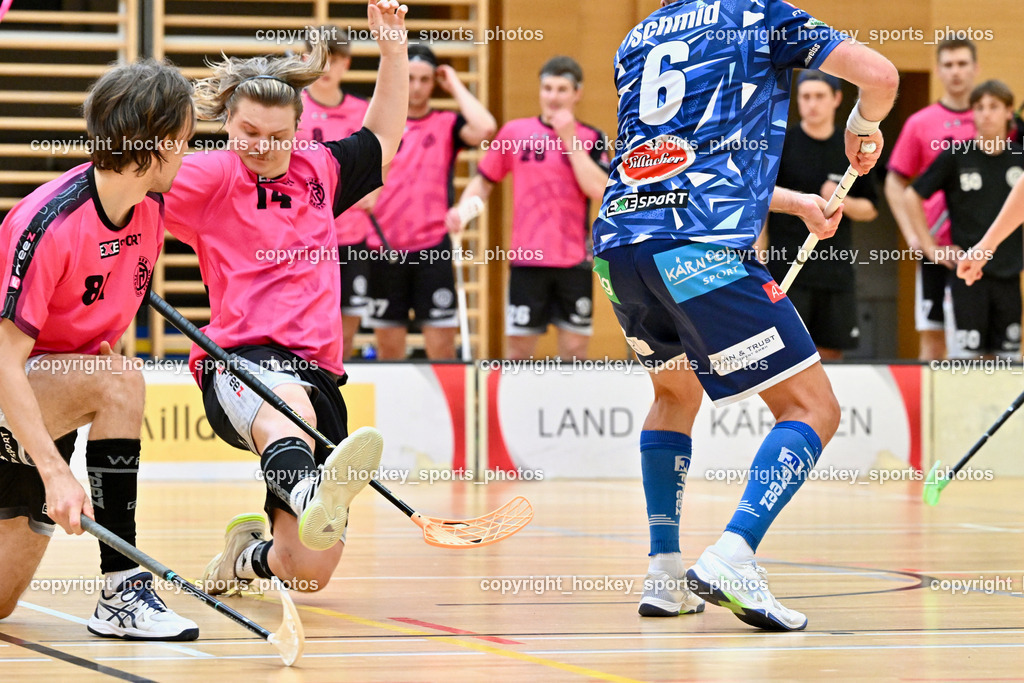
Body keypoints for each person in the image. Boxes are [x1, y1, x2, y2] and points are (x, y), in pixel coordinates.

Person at [592, 0, 897, 630]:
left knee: (673, 396)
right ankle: (734, 552)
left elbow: (670, 162)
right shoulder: (757, 14)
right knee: (814, 408)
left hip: (621, 246)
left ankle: (665, 573)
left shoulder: (637, 37)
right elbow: (881, 75)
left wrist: (795, 204)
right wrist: (863, 123)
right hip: (700, 247)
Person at [161, 0, 408, 594]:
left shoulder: (318, 169)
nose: (262, 147)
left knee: (309, 571)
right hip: (240, 361)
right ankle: (305, 488)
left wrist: (392, 50)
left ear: (299, 128)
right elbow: (119, 188)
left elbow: (382, 138)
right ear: (227, 123)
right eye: (248, 133)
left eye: (278, 136)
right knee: (286, 405)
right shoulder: (207, 176)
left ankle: (247, 555)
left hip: (320, 374)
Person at [0, 60, 198, 639]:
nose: (187, 155)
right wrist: (57, 472)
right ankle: (123, 592)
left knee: (1, 604)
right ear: (157, 144)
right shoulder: (48, 224)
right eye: (183, 142)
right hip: (13, 399)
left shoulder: (153, 208)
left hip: (43, 411)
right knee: (120, 379)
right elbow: (5, 362)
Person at [448, 56, 609, 361]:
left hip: (575, 260)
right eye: (547, 88)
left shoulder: (592, 138)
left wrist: (569, 140)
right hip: (527, 260)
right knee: (519, 351)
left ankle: (566, 408)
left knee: (575, 351)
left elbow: (600, 190)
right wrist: (463, 211)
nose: (553, 97)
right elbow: (483, 182)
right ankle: (518, 409)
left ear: (578, 93)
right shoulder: (513, 133)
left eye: (562, 89)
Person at [367, 44, 496, 360]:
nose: (417, 87)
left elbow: (486, 128)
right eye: (410, 78)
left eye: (425, 79)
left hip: (432, 249)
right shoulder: (380, 124)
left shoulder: (446, 124)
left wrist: (452, 83)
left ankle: (444, 410)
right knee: (389, 349)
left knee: (441, 348)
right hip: (382, 248)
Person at [760, 71, 878, 360]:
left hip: (835, 270)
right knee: (787, 350)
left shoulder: (851, 148)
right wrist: (759, 254)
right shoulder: (780, 145)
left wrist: (840, 199)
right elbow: (759, 201)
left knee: (830, 352)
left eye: (820, 96)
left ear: (837, 99)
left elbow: (871, 209)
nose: (812, 104)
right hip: (786, 265)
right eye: (805, 96)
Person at [906, 80, 1023, 359]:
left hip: (1009, 274)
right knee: (965, 363)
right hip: (967, 275)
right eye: (979, 107)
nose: (985, 114)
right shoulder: (957, 155)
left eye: (994, 106)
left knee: (1008, 363)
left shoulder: (1019, 157)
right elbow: (912, 195)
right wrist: (929, 246)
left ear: (1009, 112)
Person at [884, 39, 979, 361]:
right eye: (949, 65)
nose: (956, 72)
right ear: (938, 70)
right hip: (936, 249)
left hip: (982, 246)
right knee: (934, 340)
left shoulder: (995, 124)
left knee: (985, 346)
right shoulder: (920, 123)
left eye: (963, 63)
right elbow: (895, 183)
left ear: (975, 68)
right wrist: (915, 236)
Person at [296, 25, 376, 359]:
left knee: (347, 324)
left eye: (334, 59)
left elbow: (378, 173)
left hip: (351, 237)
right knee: (305, 322)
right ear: (304, 59)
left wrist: (370, 192)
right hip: (304, 238)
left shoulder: (363, 111)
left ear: (347, 63)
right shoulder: (291, 108)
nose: (326, 67)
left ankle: (338, 376)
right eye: (319, 58)